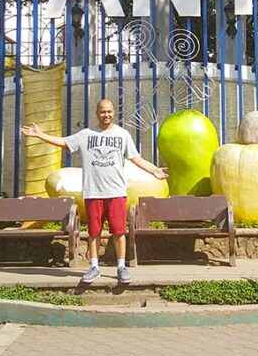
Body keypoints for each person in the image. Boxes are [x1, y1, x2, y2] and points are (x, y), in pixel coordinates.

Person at [20, 99, 168, 284]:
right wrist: (39, 135)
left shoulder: (122, 135)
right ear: (97, 113)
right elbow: (64, 142)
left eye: (109, 111)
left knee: (119, 231)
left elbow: (136, 158)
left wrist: (154, 170)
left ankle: (121, 267)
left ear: (114, 112)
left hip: (116, 192)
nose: (106, 115)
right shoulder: (86, 135)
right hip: (93, 193)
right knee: (94, 232)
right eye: (103, 112)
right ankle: (94, 267)